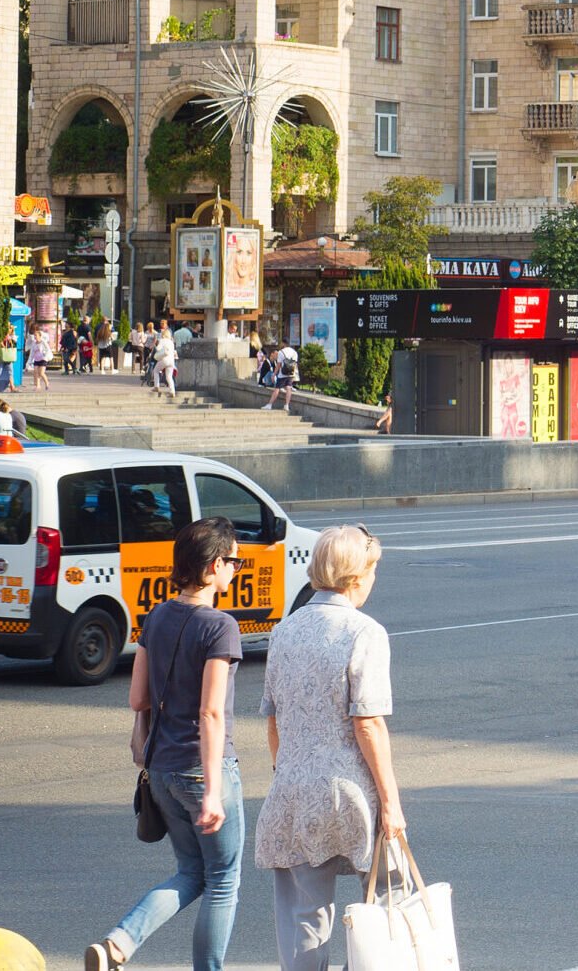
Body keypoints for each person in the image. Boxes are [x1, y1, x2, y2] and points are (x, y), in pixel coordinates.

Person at [88, 517, 248, 971]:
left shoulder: (157, 615)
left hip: (160, 770)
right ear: (215, 566)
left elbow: (137, 698)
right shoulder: (220, 627)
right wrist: (214, 790)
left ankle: (118, 942)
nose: (236, 568)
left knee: (191, 872)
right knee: (222, 880)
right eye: (234, 561)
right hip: (202, 770)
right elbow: (211, 712)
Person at [256, 526, 406, 971]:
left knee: (303, 914)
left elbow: (273, 719)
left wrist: (288, 772)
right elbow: (369, 723)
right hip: (354, 789)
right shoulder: (365, 632)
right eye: (373, 569)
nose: (375, 579)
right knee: (385, 900)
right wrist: (392, 802)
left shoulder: (284, 631)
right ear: (356, 576)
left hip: (294, 788)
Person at [264, 343, 299, 413]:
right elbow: (295, 364)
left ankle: (269, 404)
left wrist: (274, 374)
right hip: (291, 373)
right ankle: (286, 405)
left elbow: (278, 364)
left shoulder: (281, 352)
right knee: (289, 388)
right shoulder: (294, 352)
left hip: (282, 374)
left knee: (277, 388)